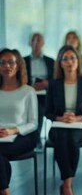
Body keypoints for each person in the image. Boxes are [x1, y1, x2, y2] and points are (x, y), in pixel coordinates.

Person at [45, 45, 82, 195]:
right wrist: (60, 117)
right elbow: (47, 112)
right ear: (60, 63)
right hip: (59, 124)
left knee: (72, 138)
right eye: (65, 59)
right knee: (61, 137)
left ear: (78, 61)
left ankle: (66, 184)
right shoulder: (54, 84)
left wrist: (78, 118)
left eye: (72, 58)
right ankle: (67, 185)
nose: (69, 62)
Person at [0, 49, 38, 195]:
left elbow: (33, 123)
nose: (6, 66)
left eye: (11, 62)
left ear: (18, 65)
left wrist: (14, 130)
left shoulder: (28, 91)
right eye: (2, 62)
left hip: (23, 136)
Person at [23, 32, 54, 150]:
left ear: (43, 43)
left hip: (46, 95)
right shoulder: (23, 61)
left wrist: (46, 83)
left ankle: (35, 140)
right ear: (30, 43)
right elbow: (20, 79)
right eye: (34, 40)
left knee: (40, 108)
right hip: (28, 94)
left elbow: (56, 80)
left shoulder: (50, 61)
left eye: (39, 40)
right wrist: (31, 86)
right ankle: (34, 140)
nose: (36, 43)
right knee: (34, 107)